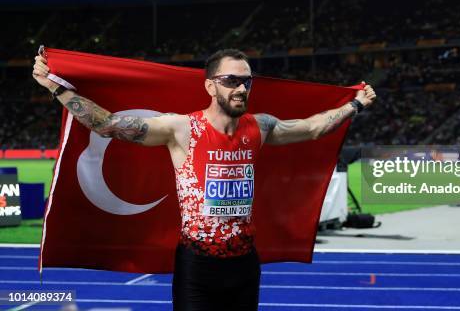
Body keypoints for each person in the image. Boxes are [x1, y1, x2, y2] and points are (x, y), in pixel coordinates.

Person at [32, 48, 376, 311]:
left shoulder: (261, 126)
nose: (241, 88)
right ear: (211, 85)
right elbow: (108, 125)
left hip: (244, 263)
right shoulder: (181, 128)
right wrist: (56, 88)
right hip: (198, 266)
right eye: (231, 81)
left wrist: (356, 105)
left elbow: (313, 128)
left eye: (246, 81)